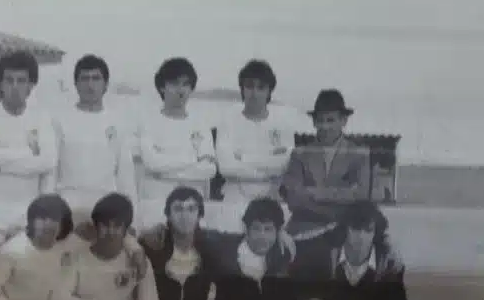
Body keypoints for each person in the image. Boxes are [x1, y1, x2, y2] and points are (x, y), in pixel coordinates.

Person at [0, 50, 57, 249]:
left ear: (31, 85)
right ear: (0, 84)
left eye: (21, 81)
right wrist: (27, 153)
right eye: (9, 80)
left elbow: (48, 161)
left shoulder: (41, 118)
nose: (15, 87)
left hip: (26, 213)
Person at [212, 59, 306, 230]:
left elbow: (285, 165)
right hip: (235, 198)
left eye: (261, 87)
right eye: (249, 86)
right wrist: (268, 164)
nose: (254, 93)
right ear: (242, 89)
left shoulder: (282, 124)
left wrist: (243, 158)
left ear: (269, 91)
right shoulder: (228, 121)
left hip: (272, 198)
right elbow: (226, 167)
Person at [52, 55, 138, 238]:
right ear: (76, 84)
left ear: (105, 84)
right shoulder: (60, 120)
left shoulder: (118, 122)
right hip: (69, 203)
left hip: (106, 207)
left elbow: (126, 174)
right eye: (84, 78)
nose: (90, 85)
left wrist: (132, 219)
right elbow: (52, 170)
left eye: (96, 78)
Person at [137, 58, 217, 231]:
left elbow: (209, 169)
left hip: (191, 208)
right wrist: (194, 159)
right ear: (162, 87)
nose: (181, 90)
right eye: (174, 84)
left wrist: (164, 170)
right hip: (156, 205)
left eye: (185, 84)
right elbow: (152, 163)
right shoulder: (147, 122)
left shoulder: (201, 124)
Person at [282, 89, 372, 242]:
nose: (324, 126)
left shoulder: (359, 155)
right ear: (314, 122)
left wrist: (314, 192)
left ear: (343, 121)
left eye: (330, 120)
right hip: (303, 230)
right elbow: (293, 199)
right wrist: (341, 197)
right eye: (320, 120)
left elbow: (360, 196)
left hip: (343, 231)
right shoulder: (299, 154)